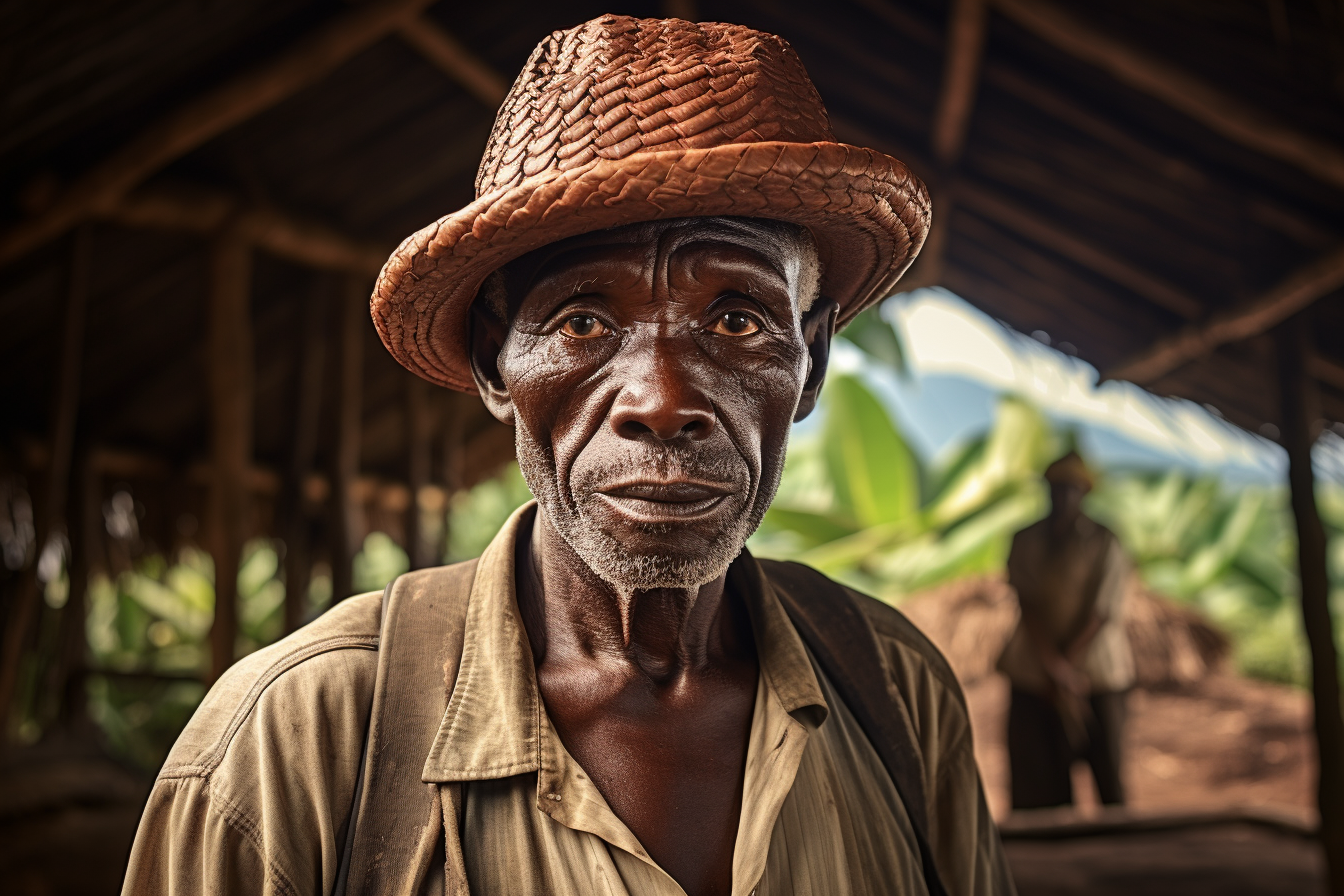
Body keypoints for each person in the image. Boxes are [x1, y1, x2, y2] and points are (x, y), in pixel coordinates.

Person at [122, 15, 1015, 896]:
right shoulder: (296, 741)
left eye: (738, 320)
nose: (663, 403)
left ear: (810, 359)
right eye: (583, 320)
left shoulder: (895, 690)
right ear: (492, 361)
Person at [996, 452, 1135, 811]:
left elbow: (1101, 611)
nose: (1063, 496)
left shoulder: (1105, 541)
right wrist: (1051, 664)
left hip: (1097, 673)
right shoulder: (1025, 539)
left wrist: (1067, 667)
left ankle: (1118, 846)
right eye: (1057, 488)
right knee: (1036, 776)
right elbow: (1027, 602)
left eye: (1071, 489)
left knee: (1108, 773)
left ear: (1084, 493)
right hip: (1033, 672)